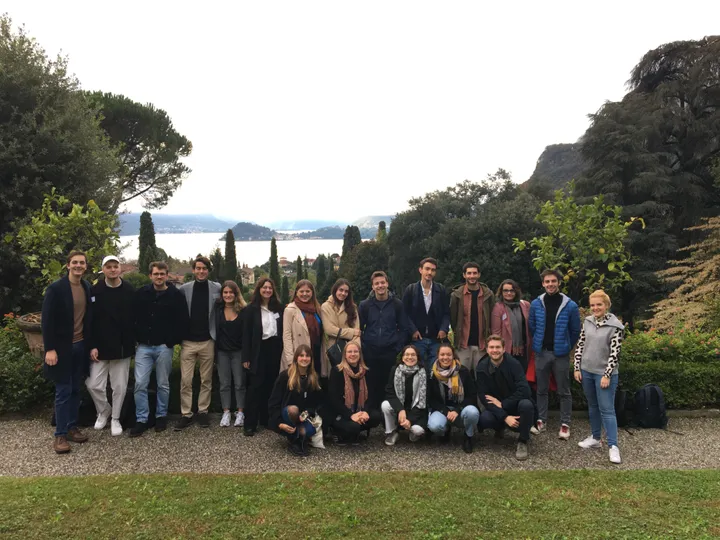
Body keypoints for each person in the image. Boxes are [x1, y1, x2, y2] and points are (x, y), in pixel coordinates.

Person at [42, 251, 93, 454]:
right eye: (75, 262)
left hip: (80, 346)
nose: (78, 265)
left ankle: (72, 427)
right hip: (61, 349)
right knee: (63, 391)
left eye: (82, 263)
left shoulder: (86, 287)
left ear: (86, 266)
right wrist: (50, 349)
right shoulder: (56, 289)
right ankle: (60, 435)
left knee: (74, 390)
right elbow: (47, 321)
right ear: (68, 265)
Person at [131, 261, 188, 437]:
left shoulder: (175, 295)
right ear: (150, 275)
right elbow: (133, 317)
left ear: (167, 275)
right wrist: (136, 337)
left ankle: (161, 416)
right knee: (140, 383)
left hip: (164, 346)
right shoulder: (142, 293)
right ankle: (142, 419)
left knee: (163, 383)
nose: (159, 277)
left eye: (162, 274)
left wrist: (172, 341)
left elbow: (183, 320)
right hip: (144, 346)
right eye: (156, 274)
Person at [528, 269, 580, 440]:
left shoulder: (570, 305)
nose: (550, 284)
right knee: (541, 389)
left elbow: (574, 331)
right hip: (542, 353)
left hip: (560, 355)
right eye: (547, 282)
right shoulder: (536, 304)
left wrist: (566, 347)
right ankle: (541, 419)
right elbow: (532, 326)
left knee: (564, 391)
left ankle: (565, 424)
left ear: (558, 282)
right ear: (543, 284)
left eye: (553, 281)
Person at [574, 290, 625, 464]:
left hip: (604, 375)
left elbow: (615, 353)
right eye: (593, 305)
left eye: (599, 304)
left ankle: (613, 446)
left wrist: (607, 374)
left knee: (607, 410)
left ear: (607, 305)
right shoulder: (587, 322)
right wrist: (577, 368)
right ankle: (596, 438)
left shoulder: (616, 326)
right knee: (593, 406)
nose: (595, 308)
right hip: (586, 371)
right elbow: (581, 345)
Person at [86, 255, 135, 437]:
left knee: (119, 387)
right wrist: (92, 345)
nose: (113, 269)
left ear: (120, 269)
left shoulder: (129, 290)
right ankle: (104, 410)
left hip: (122, 347)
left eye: (115, 266)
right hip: (100, 348)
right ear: (103, 270)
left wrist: (132, 344)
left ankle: (115, 418)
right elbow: (89, 322)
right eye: (109, 267)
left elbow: (133, 320)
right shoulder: (95, 291)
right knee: (93, 384)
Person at [176, 256, 222, 430]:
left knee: (206, 380)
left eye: (204, 268)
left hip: (207, 341)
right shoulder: (184, 289)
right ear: (193, 270)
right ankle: (186, 414)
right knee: (186, 380)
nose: (201, 271)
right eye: (198, 268)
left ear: (208, 270)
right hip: (188, 341)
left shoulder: (216, 288)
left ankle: (203, 412)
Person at [476, 335, 535, 461]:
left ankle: (523, 441)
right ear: (487, 350)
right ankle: (500, 427)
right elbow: (484, 397)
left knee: (527, 405)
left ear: (504, 349)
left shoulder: (514, 364)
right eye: (491, 347)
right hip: (497, 409)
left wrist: (503, 404)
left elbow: (525, 390)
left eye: (498, 347)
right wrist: (504, 417)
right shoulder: (481, 367)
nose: (495, 350)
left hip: (514, 405)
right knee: (485, 419)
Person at [359, 271, 411, 408]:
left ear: (387, 284)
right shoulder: (365, 305)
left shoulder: (397, 304)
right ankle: (372, 414)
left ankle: (388, 411)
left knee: (389, 383)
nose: (380, 285)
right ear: (372, 286)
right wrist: (364, 346)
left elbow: (404, 328)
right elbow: (358, 328)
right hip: (370, 351)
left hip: (390, 351)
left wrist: (397, 347)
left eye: (382, 282)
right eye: (377, 283)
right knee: (371, 383)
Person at [242, 277, 284, 436]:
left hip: (275, 350)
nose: (267, 290)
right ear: (259, 289)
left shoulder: (279, 308)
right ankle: (250, 424)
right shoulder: (250, 309)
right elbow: (245, 335)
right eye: (264, 288)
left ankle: (267, 420)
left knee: (271, 386)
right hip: (258, 351)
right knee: (254, 387)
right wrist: (246, 357)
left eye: (270, 288)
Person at [268, 344, 324, 456]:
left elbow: (319, 403)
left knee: (309, 431)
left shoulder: (314, 378)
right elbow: (273, 402)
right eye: (301, 355)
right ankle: (297, 438)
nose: (304, 358)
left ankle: (297, 440)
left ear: (311, 359)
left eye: (307, 356)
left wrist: (309, 412)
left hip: (305, 417)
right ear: (296, 358)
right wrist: (279, 423)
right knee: (293, 409)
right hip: (287, 416)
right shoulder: (285, 376)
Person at [427, 344, 480, 453]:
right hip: (442, 409)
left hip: (461, 409)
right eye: (442, 354)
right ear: (437, 355)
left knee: (472, 412)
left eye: (448, 354)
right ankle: (445, 430)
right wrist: (446, 412)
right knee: (434, 425)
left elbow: (472, 395)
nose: (445, 357)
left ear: (453, 356)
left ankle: (468, 436)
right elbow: (431, 399)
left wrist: (457, 410)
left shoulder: (463, 371)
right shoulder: (432, 374)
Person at [328, 342, 382, 445]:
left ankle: (354, 432)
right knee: (353, 426)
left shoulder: (366, 371)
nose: (353, 354)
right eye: (349, 351)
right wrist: (350, 415)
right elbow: (334, 399)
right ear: (345, 355)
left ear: (360, 354)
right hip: (343, 413)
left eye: (355, 351)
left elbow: (372, 396)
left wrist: (365, 411)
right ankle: (340, 433)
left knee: (376, 417)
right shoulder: (337, 371)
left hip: (360, 411)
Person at [402, 257, 450, 371]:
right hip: (417, 339)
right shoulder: (411, 290)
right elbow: (404, 313)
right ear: (420, 270)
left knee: (436, 370)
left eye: (433, 270)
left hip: (436, 338)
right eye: (427, 269)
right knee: (419, 370)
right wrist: (412, 330)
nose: (430, 272)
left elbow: (446, 313)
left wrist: (444, 329)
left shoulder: (441, 290)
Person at [450, 262, 495, 373]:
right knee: (462, 376)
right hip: (463, 344)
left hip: (482, 344)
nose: (472, 276)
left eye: (474, 273)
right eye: (469, 273)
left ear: (479, 275)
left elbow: (492, 317)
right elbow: (452, 318)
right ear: (464, 275)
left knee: (481, 375)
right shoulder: (456, 295)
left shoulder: (488, 294)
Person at [214, 280, 247, 428]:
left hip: (238, 352)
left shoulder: (243, 310)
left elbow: (247, 334)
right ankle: (226, 411)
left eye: (231, 292)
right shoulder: (217, 309)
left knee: (240, 383)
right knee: (224, 384)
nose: (228, 295)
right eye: (225, 292)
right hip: (222, 352)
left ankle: (240, 412)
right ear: (222, 294)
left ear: (236, 294)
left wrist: (247, 356)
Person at [381, 344, 428, 445]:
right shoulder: (395, 370)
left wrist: (409, 420)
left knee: (418, 430)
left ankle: (411, 429)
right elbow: (390, 392)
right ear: (402, 357)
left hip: (417, 410)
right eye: (407, 354)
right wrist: (400, 409)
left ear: (418, 357)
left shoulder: (424, 372)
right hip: (401, 408)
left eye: (413, 355)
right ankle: (392, 432)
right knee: (385, 405)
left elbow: (424, 400)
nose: (409, 357)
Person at [320, 278, 361, 376]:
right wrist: (351, 332)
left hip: (351, 350)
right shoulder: (325, 307)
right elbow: (329, 330)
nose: (343, 293)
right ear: (335, 290)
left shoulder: (353, 307)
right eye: (341, 290)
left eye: (346, 291)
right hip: (334, 349)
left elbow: (357, 331)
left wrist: (354, 350)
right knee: (336, 378)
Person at [283, 279, 323, 375]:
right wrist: (290, 360)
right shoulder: (290, 310)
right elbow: (286, 335)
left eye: (308, 291)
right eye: (301, 291)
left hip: (316, 352)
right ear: (296, 293)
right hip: (300, 354)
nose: (305, 294)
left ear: (312, 293)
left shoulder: (317, 309)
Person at [491, 279, 532, 371]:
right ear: (501, 292)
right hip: (507, 351)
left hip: (524, 351)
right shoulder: (498, 308)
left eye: (512, 290)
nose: (509, 293)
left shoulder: (525, 305)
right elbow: (496, 333)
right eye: (506, 290)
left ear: (516, 291)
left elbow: (530, 328)